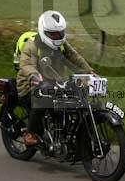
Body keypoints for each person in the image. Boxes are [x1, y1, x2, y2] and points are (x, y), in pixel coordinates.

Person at [16, 10, 94, 146]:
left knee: (76, 98)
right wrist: (35, 76)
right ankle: (30, 133)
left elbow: (74, 57)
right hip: (30, 85)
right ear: (43, 31)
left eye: (60, 33)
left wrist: (88, 71)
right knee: (42, 96)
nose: (57, 36)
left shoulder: (62, 44)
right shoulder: (33, 44)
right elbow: (26, 64)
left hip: (55, 83)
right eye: (52, 33)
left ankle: (67, 133)